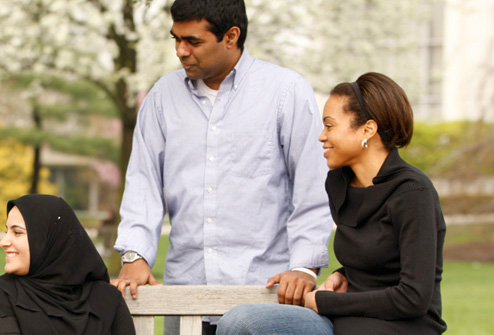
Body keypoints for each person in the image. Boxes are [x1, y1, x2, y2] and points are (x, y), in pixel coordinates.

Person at [111, 0, 332, 333]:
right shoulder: (161, 97)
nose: (181, 51)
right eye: (176, 39)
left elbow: (312, 187)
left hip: (265, 298)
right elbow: (143, 182)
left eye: (193, 41)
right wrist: (134, 255)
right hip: (185, 300)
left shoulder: (285, 93)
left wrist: (304, 267)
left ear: (231, 36)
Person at [217, 72, 447, 334]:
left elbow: (413, 298)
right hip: (343, 322)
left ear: (367, 130)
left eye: (329, 126)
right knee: (240, 321)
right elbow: (378, 257)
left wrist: (327, 301)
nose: (321, 137)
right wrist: (344, 274)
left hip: (399, 327)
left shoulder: (412, 192)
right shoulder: (339, 183)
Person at [0, 194, 135, 335]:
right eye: (6, 232)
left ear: (50, 239)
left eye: (17, 232)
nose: (3, 242)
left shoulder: (106, 297)